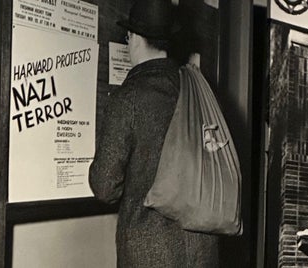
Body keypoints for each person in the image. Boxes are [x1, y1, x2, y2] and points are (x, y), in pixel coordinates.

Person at [89, 0, 218, 266]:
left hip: (150, 252)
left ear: (134, 38)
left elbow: (104, 187)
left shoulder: (129, 97)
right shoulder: (197, 90)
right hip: (203, 250)